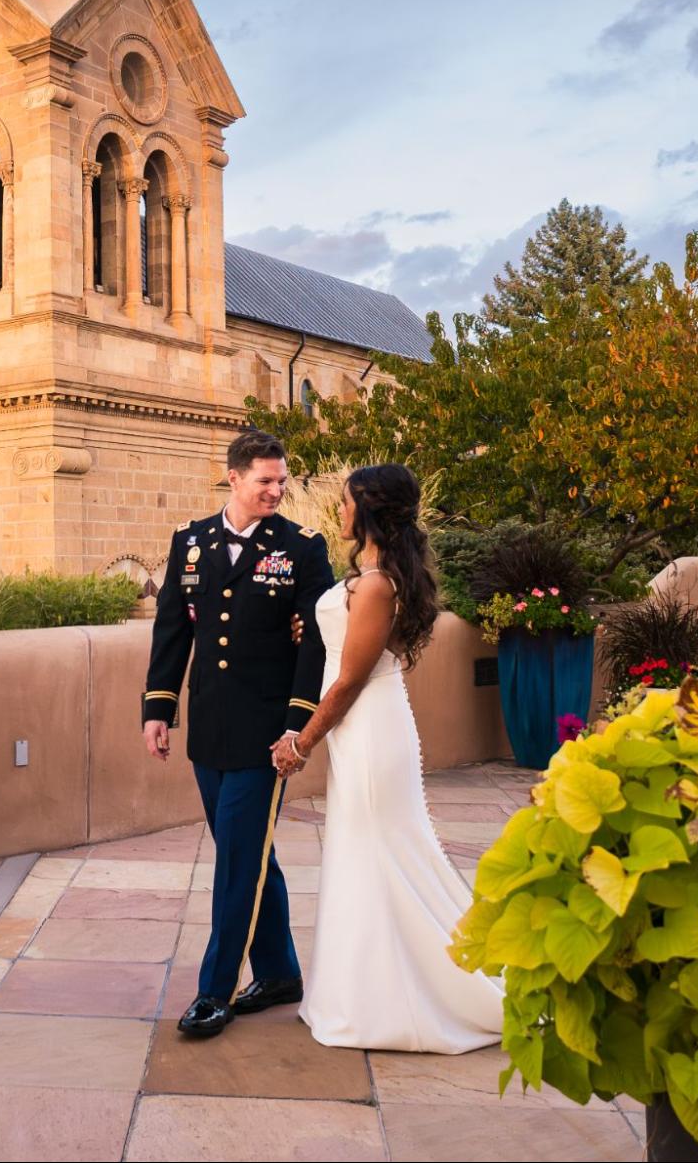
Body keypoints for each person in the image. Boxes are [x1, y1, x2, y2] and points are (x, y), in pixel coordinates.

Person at [271, 463, 503, 1052]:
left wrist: (300, 742)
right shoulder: (370, 576)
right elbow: (346, 643)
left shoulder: (375, 584)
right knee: (367, 853)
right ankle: (364, 994)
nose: (340, 512)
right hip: (365, 728)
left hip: (368, 727)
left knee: (381, 854)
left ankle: (403, 1002)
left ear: (370, 510)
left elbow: (349, 679)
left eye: (347, 502)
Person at [142, 429, 333, 1038]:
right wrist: (158, 707)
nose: (276, 490)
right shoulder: (190, 541)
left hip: (266, 734)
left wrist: (297, 726)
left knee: (236, 865)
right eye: (265, 481)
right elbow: (173, 628)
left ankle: (213, 991)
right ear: (234, 478)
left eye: (282, 481)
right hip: (210, 729)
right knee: (245, 855)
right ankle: (279, 972)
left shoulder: (303, 547)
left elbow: (317, 644)